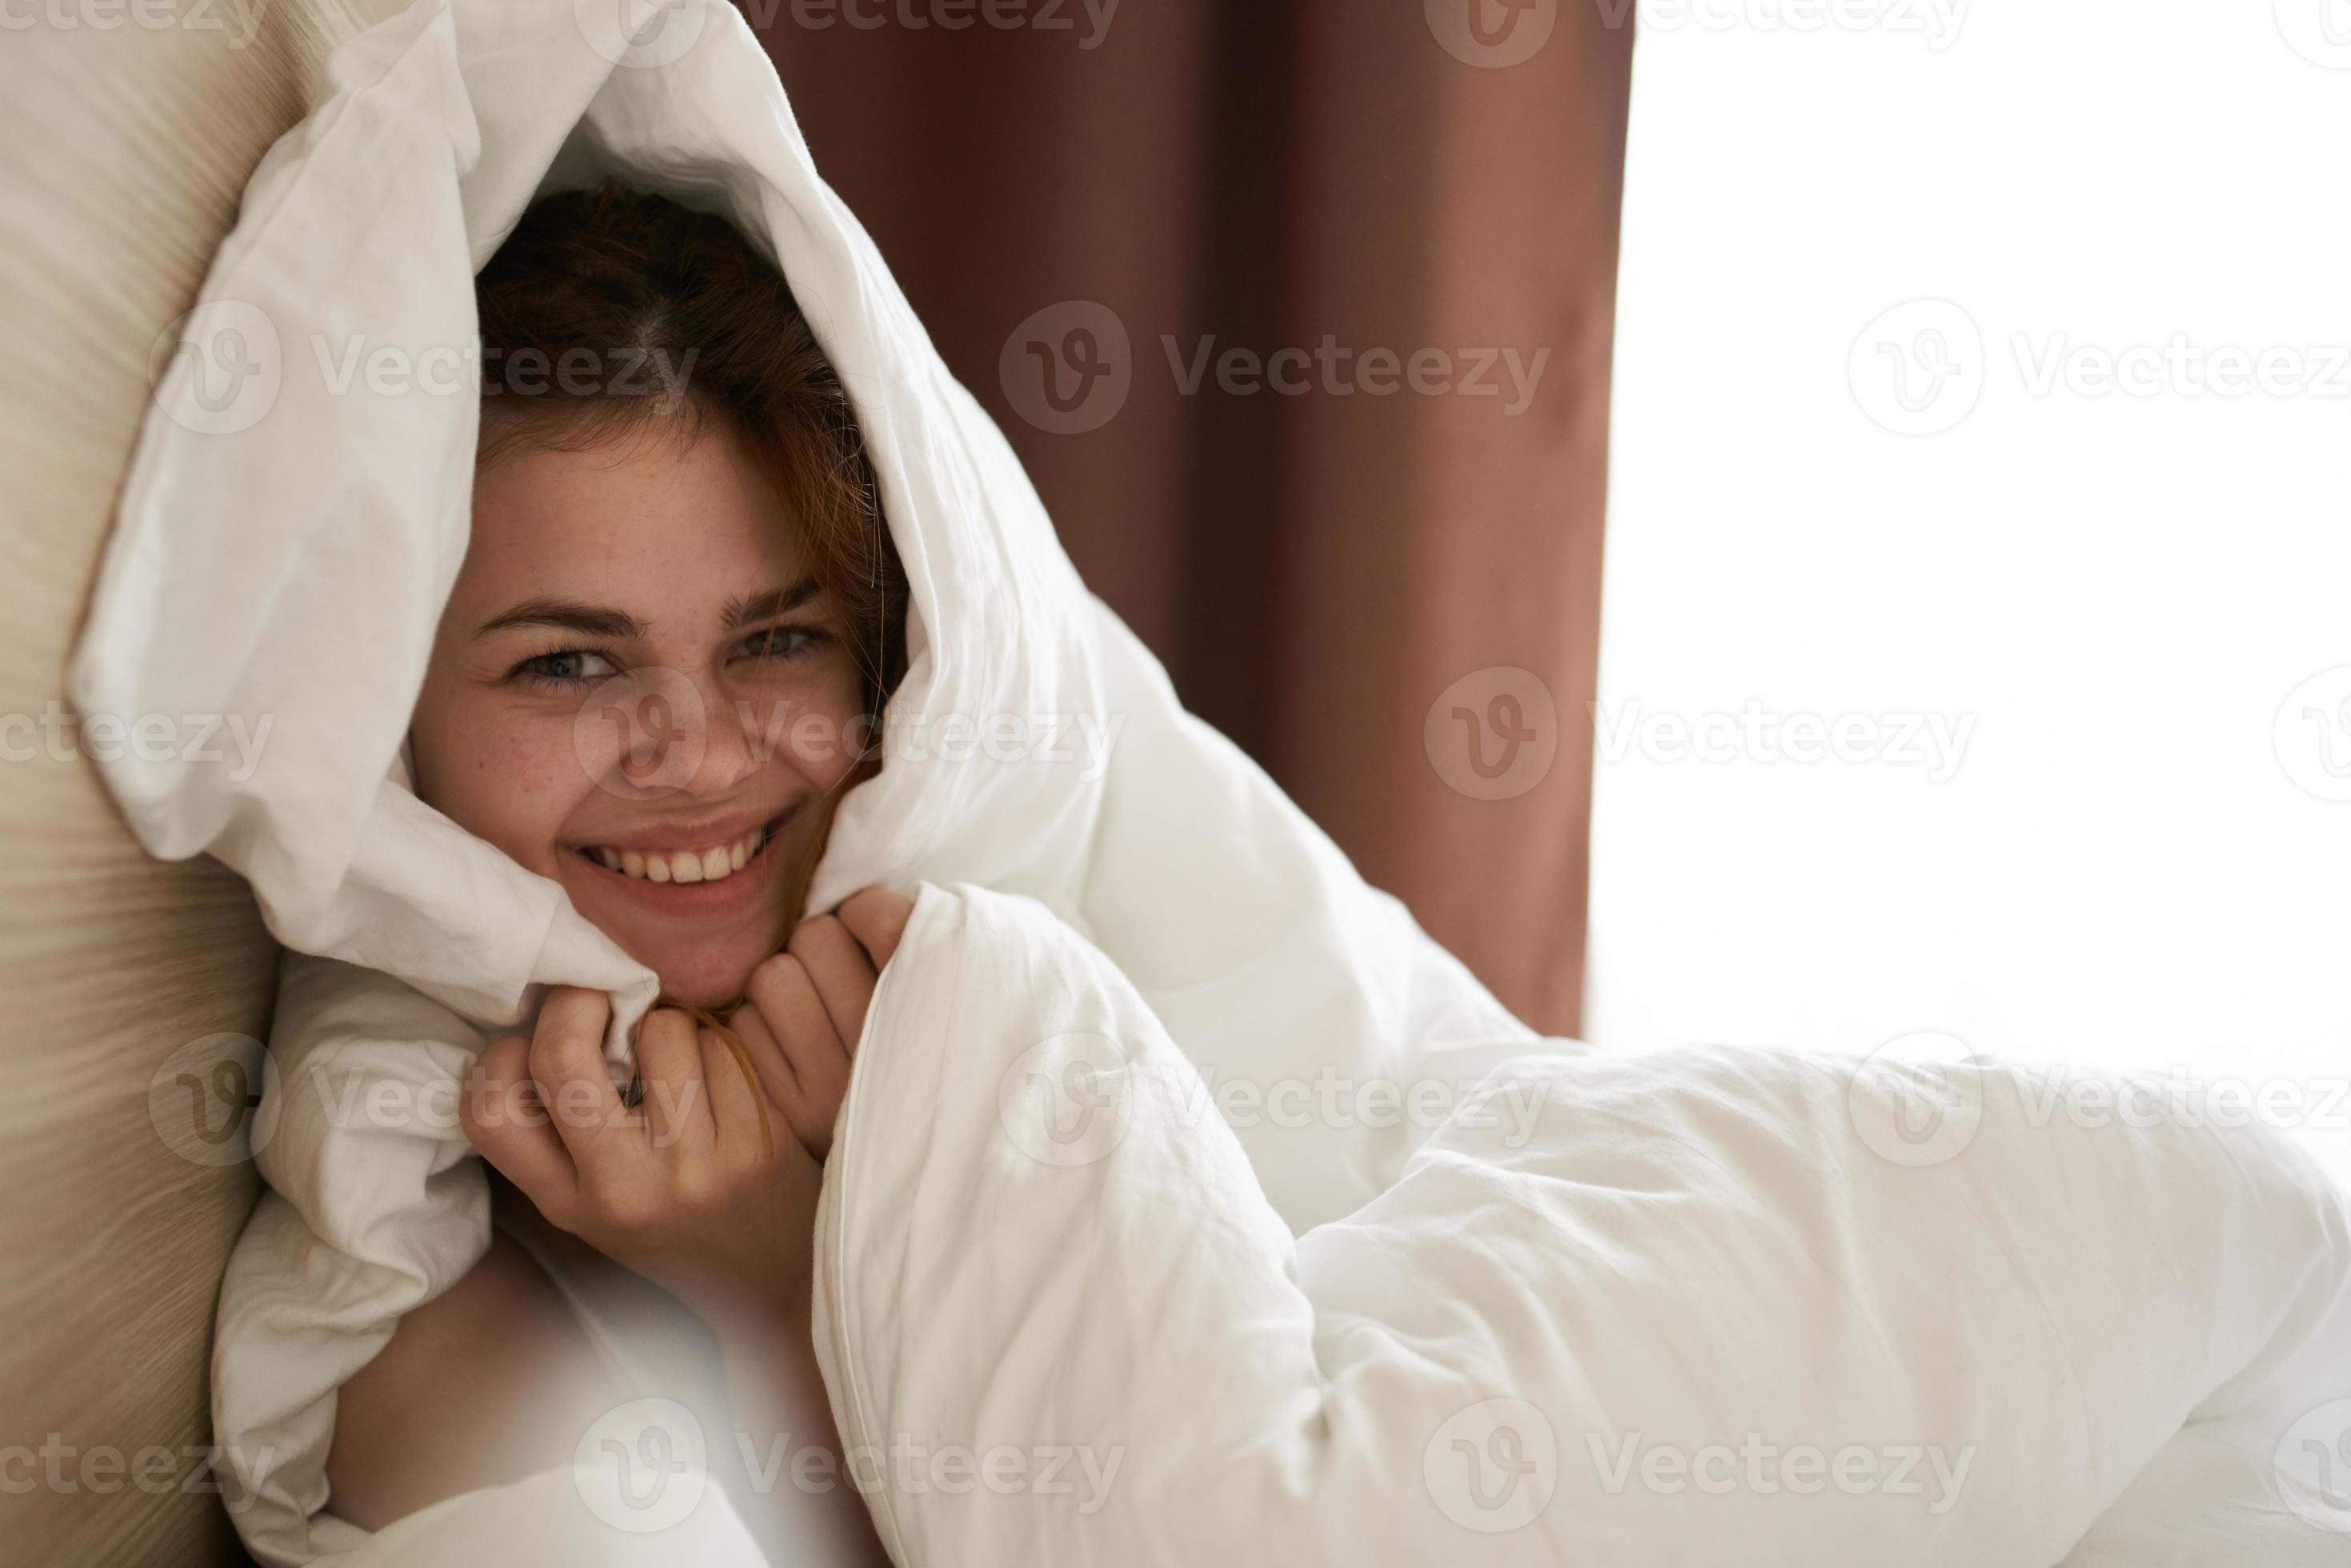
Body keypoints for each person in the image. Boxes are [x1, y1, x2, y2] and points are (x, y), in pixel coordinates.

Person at [313, 182, 915, 1563]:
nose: (699, 757)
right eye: (567, 664)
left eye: (774, 641)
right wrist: (769, 1292)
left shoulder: (982, 993)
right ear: (389, 724)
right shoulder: (430, 1341)